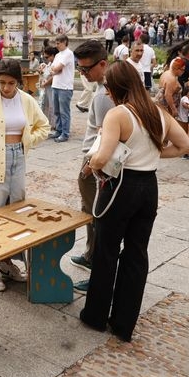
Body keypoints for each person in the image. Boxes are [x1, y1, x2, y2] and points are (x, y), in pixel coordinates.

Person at [79, 61, 189, 341]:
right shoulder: (158, 112)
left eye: (108, 87)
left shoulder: (118, 114)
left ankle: (96, 315)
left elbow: (102, 157)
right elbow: (186, 146)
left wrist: (91, 164)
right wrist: (153, 153)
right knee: (136, 253)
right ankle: (124, 323)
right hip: (148, 186)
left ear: (116, 87)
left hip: (121, 185)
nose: (106, 92)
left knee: (106, 251)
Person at [0, 59, 50, 291]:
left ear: (19, 82)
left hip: (18, 158)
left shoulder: (26, 100)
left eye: (11, 83)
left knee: (15, 214)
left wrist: (27, 141)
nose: (6, 87)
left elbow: (44, 126)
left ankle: (6, 262)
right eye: (2, 82)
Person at [70, 41, 115, 294]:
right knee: (91, 211)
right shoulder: (104, 89)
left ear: (103, 64)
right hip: (95, 160)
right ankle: (90, 254)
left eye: (86, 69)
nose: (83, 74)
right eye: (80, 69)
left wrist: (88, 168)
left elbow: (104, 137)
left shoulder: (102, 96)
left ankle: (98, 267)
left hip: (95, 162)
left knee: (96, 215)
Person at [49, 34, 75, 143]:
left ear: (64, 42)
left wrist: (55, 69)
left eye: (58, 43)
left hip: (65, 87)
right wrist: (55, 69)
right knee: (56, 111)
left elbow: (57, 68)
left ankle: (65, 133)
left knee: (64, 112)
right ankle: (59, 130)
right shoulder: (58, 55)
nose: (56, 45)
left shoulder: (68, 53)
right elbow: (54, 68)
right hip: (56, 85)